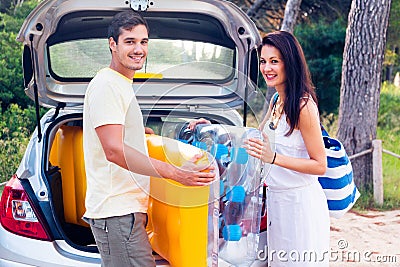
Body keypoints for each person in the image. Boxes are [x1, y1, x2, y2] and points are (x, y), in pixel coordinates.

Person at [82, 10, 215, 267]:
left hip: (125, 212)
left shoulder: (119, 84)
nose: (138, 49)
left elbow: (117, 136)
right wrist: (175, 173)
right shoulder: (107, 85)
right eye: (129, 41)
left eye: (143, 42)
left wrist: (152, 133)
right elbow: (113, 150)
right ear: (112, 44)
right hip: (116, 212)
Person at [244, 31, 330, 266]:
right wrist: (210, 126)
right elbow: (254, 138)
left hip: (301, 207)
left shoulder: (303, 106)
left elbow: (320, 165)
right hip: (277, 203)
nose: (267, 68)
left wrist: (273, 158)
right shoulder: (275, 101)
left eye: (274, 61)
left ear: (289, 62)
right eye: (263, 61)